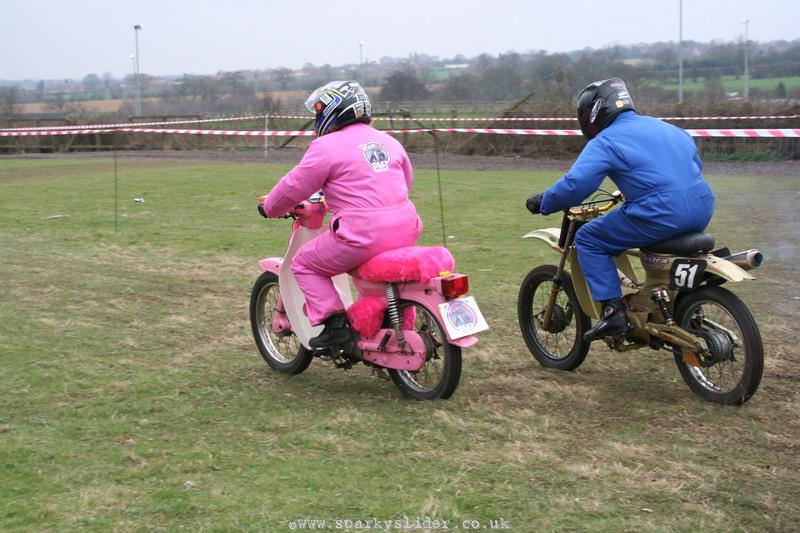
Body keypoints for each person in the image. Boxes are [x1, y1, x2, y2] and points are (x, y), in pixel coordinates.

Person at [526, 78, 715, 341]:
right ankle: (662, 305)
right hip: (702, 206)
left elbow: (577, 185)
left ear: (594, 112)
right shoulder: (670, 129)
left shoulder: (605, 141)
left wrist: (544, 201)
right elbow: (692, 165)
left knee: (589, 239)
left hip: (660, 213)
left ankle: (613, 313)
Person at [259, 81, 423, 348]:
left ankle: (335, 325)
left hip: (361, 233)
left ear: (333, 112)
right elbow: (406, 183)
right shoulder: (389, 142)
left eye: (319, 111)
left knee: (303, 263)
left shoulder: (326, 146)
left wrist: (270, 207)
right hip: (406, 227)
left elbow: (294, 186)